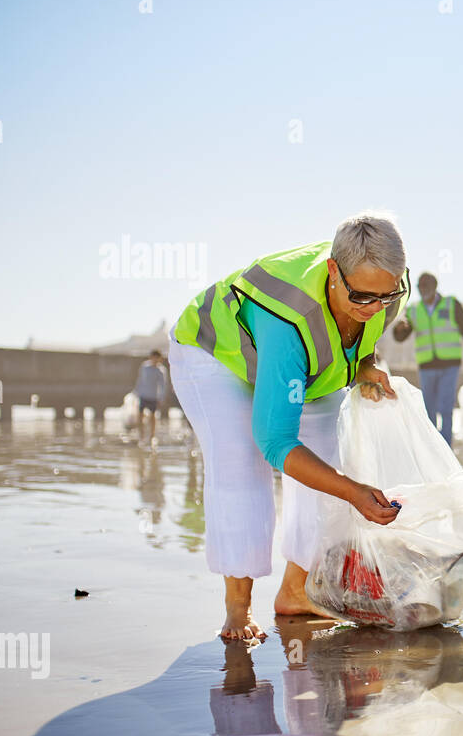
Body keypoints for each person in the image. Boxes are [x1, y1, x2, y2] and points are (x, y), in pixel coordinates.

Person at [168, 212, 409, 641]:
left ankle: (297, 590)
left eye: (385, 298)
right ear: (334, 271)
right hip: (215, 354)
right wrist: (354, 492)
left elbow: (361, 339)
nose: (375, 309)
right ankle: (238, 609)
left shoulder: (386, 287)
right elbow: (275, 442)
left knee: (326, 465)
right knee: (242, 463)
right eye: (362, 297)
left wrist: (367, 366)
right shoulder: (287, 319)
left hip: (298, 360)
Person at [390, 273, 463, 445]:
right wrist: (399, 328)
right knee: (429, 409)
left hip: (450, 364)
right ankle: (433, 447)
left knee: (445, 407)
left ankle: (446, 448)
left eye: (426, 286)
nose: (422, 290)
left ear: (435, 286)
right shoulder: (413, 310)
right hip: (427, 366)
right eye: (420, 287)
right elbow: (400, 337)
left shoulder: (451, 304)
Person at [133, 349, 169, 446]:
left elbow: (163, 385)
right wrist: (135, 392)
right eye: (153, 357)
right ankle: (141, 436)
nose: (155, 360)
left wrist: (161, 398)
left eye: (157, 358)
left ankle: (152, 436)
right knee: (140, 415)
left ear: (160, 359)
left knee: (153, 417)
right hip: (143, 394)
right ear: (151, 357)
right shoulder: (144, 366)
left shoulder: (161, 370)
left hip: (153, 396)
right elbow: (140, 379)